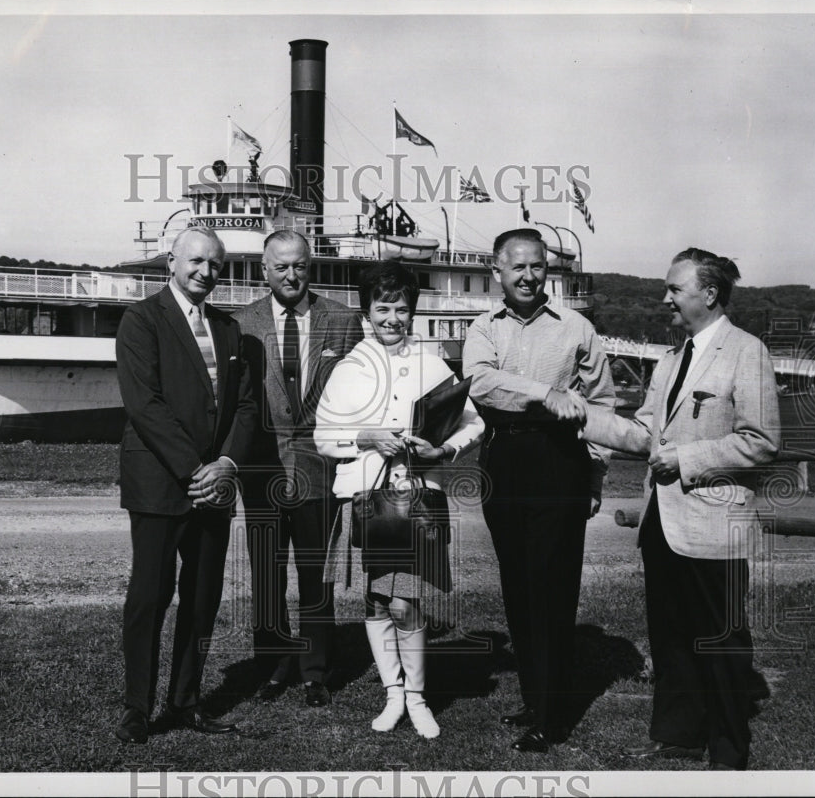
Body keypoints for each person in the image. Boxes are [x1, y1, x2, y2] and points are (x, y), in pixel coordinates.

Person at [580, 248, 780, 770]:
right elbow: (645, 432)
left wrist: (685, 459)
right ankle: (678, 733)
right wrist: (581, 416)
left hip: (715, 526)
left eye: (674, 288)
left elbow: (761, 441)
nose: (664, 297)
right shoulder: (671, 360)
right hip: (661, 525)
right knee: (669, 638)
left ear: (708, 294)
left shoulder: (747, 351)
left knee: (720, 640)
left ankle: (729, 749)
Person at [461, 228, 616, 753]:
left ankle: (552, 713)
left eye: (537, 267)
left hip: (560, 461)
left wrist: (595, 472)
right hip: (503, 460)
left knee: (552, 586)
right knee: (519, 584)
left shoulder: (577, 327)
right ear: (497, 272)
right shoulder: (482, 328)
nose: (528, 276)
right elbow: (480, 383)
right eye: (518, 267)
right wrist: (546, 392)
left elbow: (602, 404)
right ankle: (534, 695)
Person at [314, 261, 484, 739]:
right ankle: (393, 694)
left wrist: (444, 449)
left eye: (401, 309)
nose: (392, 318)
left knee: (406, 603)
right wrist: (366, 437)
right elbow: (323, 438)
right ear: (367, 312)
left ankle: (417, 697)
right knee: (374, 601)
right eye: (382, 308)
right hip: (367, 501)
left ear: (412, 312)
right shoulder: (348, 368)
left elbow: (475, 423)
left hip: (415, 501)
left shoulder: (431, 363)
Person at [113, 226, 257, 744]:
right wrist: (193, 469)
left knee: (202, 599)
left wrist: (225, 465)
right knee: (150, 596)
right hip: (160, 481)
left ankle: (187, 701)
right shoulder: (141, 320)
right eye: (195, 261)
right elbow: (143, 404)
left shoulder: (230, 330)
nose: (205, 272)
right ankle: (137, 708)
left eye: (215, 264)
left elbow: (244, 407)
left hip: (214, 484)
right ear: (170, 262)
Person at [233, 230, 364, 707]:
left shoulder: (344, 321)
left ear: (312, 267)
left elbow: (356, 397)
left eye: (300, 266)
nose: (292, 275)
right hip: (262, 468)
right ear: (263, 270)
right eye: (281, 267)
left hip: (319, 466)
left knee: (316, 574)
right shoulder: (242, 323)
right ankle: (273, 664)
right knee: (266, 573)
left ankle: (314, 670)